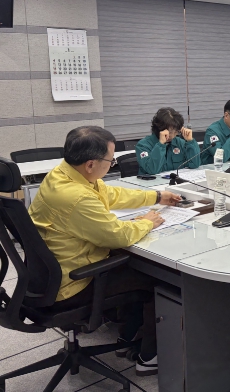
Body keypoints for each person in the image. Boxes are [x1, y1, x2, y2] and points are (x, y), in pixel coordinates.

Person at [28, 126, 183, 376]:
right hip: (71, 285)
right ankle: (149, 356)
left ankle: (127, 337)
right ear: (90, 164)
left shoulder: (62, 174)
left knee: (128, 263)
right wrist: (147, 222)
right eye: (111, 161)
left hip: (47, 277)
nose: (112, 165)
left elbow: (110, 193)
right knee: (157, 277)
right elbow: (117, 235)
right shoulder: (76, 197)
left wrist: (156, 196)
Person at [135, 107, 200, 175]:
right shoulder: (143, 146)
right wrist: (161, 145)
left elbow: (195, 164)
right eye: (170, 132)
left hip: (175, 180)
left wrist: (190, 141)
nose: (173, 136)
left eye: (176, 131)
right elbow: (152, 170)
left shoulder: (179, 142)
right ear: (160, 129)